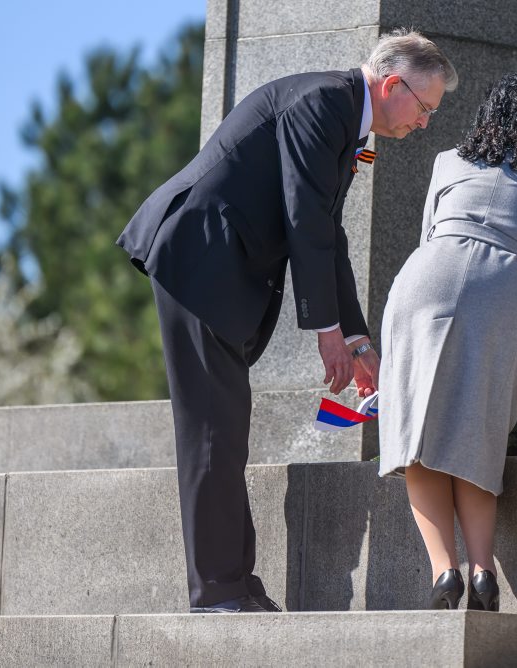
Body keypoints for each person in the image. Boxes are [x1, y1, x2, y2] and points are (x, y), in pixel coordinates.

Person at [116, 29, 457, 614]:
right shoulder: (324, 103)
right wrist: (324, 330)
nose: (424, 124)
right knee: (211, 433)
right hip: (198, 258)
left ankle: (236, 585)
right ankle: (218, 591)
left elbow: (330, 232)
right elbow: (304, 218)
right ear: (393, 85)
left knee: (225, 430)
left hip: (216, 269)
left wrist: (356, 338)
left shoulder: (347, 120)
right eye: (424, 109)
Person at [377, 73, 517, 611]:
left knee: (419, 437)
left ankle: (443, 572)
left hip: (424, 281)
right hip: (506, 290)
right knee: (479, 436)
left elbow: (429, 236)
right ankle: (481, 571)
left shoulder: (448, 161)